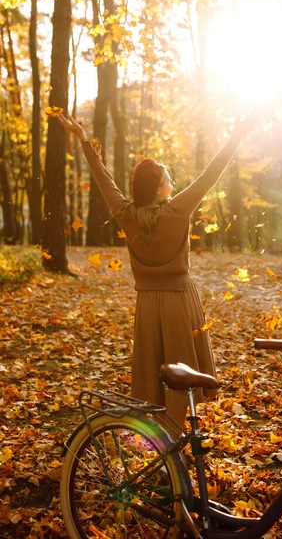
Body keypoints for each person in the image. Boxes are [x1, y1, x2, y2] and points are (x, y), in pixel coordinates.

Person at [57, 111, 258, 429]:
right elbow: (210, 174)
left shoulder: (126, 213)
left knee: (154, 376)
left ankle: (163, 447)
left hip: (148, 303)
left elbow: (103, 178)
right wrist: (237, 136)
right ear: (158, 188)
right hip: (180, 300)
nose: (172, 184)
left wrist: (83, 137)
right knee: (180, 375)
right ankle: (176, 445)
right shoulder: (178, 209)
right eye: (167, 180)